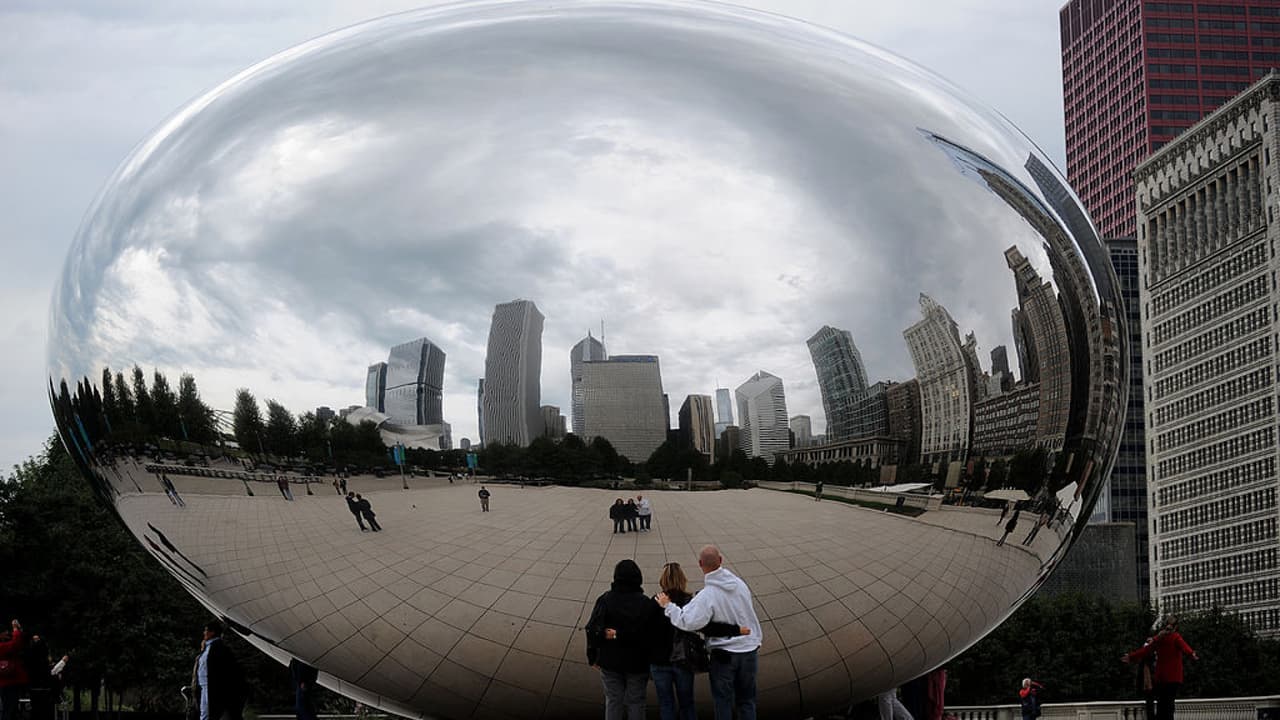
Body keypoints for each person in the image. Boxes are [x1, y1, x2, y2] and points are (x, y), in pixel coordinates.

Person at [658, 545, 764, 720]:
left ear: (700, 564)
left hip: (724, 655)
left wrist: (668, 607)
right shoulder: (740, 584)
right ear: (721, 560)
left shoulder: (707, 596)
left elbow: (687, 621)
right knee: (747, 701)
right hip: (749, 651)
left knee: (723, 701)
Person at [585, 560, 653, 720]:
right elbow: (649, 635)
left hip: (610, 660)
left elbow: (592, 628)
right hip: (638, 663)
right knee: (636, 702)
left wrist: (592, 655)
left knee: (613, 701)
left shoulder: (605, 599)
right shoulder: (645, 603)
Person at [1122, 615, 1198, 720]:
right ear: (1175, 627)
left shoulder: (1159, 638)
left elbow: (1146, 650)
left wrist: (1131, 657)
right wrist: (1191, 654)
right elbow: (1184, 646)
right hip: (1173, 678)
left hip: (1162, 678)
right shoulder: (1175, 637)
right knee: (1168, 706)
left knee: (1162, 705)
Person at [198, 621, 245, 720]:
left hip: (212, 686)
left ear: (212, 632)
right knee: (205, 713)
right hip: (204, 684)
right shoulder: (208, 647)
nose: (204, 633)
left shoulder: (218, 648)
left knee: (211, 712)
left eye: (206, 630)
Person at [0, 619, 28, 720]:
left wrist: (18, 630)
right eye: (4, 632)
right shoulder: (2, 646)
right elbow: (15, 644)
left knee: (10, 709)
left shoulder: (5, 645)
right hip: (8, 683)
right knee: (8, 710)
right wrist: (15, 629)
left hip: (9, 683)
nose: (8, 633)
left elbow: (19, 643)